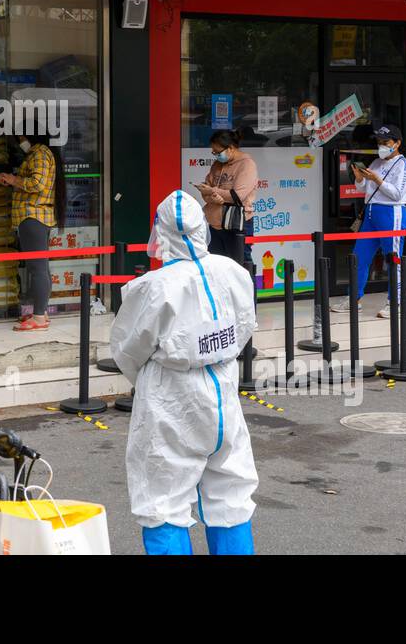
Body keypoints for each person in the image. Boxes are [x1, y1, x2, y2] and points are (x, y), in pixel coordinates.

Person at [110, 189, 258, 555]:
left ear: (161, 233)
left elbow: (127, 349)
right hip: (222, 389)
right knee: (230, 493)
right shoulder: (232, 272)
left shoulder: (153, 287)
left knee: (163, 500)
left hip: (170, 398)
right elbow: (245, 326)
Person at [331, 124, 406, 318]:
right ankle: (354, 298)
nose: (382, 146)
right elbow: (364, 190)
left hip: (391, 214)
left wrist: (378, 180)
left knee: (393, 259)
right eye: (379, 142)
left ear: (397, 143)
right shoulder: (377, 162)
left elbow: (397, 194)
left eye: (386, 142)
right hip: (371, 213)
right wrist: (360, 179)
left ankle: (396, 302)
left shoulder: (403, 166)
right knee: (359, 257)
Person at [0, 132, 65, 331]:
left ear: (30, 136)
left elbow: (37, 183)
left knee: (38, 269)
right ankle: (41, 312)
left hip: (33, 217)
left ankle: (39, 318)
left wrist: (13, 179)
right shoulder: (41, 153)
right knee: (40, 268)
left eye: (20, 138)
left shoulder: (40, 153)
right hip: (35, 217)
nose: (20, 143)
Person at [195, 128, 258, 263]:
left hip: (237, 223)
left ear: (230, 148)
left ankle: (249, 285)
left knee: (240, 265)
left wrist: (212, 191)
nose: (216, 155)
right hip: (215, 224)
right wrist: (210, 193)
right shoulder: (217, 164)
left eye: (218, 152)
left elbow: (237, 196)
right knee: (217, 266)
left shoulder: (246, 164)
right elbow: (206, 190)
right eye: (214, 152)